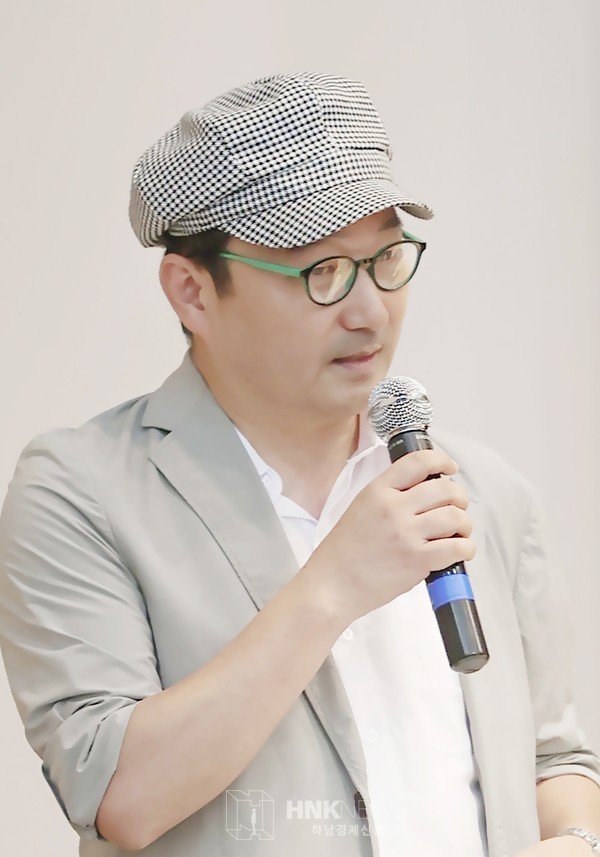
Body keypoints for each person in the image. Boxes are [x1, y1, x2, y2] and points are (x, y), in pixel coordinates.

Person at [0, 71, 599, 857]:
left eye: (387, 258)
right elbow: (119, 796)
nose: (370, 310)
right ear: (193, 292)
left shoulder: (481, 489)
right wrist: (332, 585)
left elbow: (554, 757)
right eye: (323, 271)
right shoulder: (81, 490)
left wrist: (576, 836)